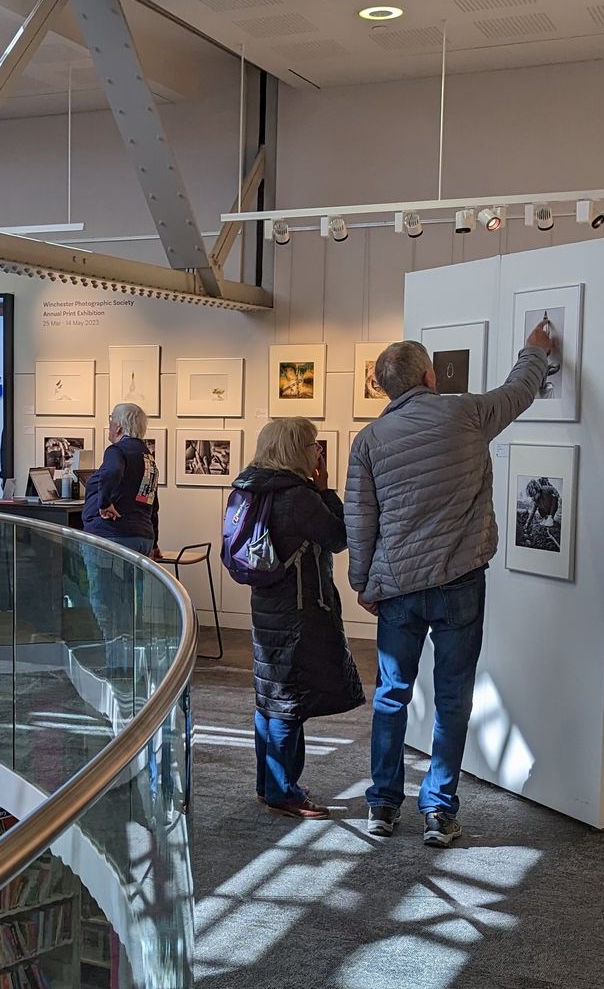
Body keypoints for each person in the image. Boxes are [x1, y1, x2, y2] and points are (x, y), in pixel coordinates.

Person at [345, 322, 557, 847]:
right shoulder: (465, 414)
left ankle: (382, 805)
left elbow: (360, 520)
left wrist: (362, 581)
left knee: (392, 696)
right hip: (461, 581)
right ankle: (438, 812)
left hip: (396, 587)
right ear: (428, 375)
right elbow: (518, 393)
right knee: (453, 698)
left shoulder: (369, 440)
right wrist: (534, 349)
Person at [234, 416, 364, 820]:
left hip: (266, 604)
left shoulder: (250, 487)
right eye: (313, 446)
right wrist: (325, 491)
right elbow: (340, 537)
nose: (319, 453)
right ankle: (285, 791)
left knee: (269, 695)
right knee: (289, 701)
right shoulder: (299, 497)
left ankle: (268, 784)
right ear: (296, 450)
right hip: (300, 609)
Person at [83, 401, 159, 555]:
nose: (109, 427)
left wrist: (104, 503)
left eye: (111, 421)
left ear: (118, 427)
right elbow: (152, 503)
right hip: (142, 537)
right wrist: (155, 544)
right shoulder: (148, 458)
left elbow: (112, 471)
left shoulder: (117, 450)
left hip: (112, 535)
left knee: (104, 580)